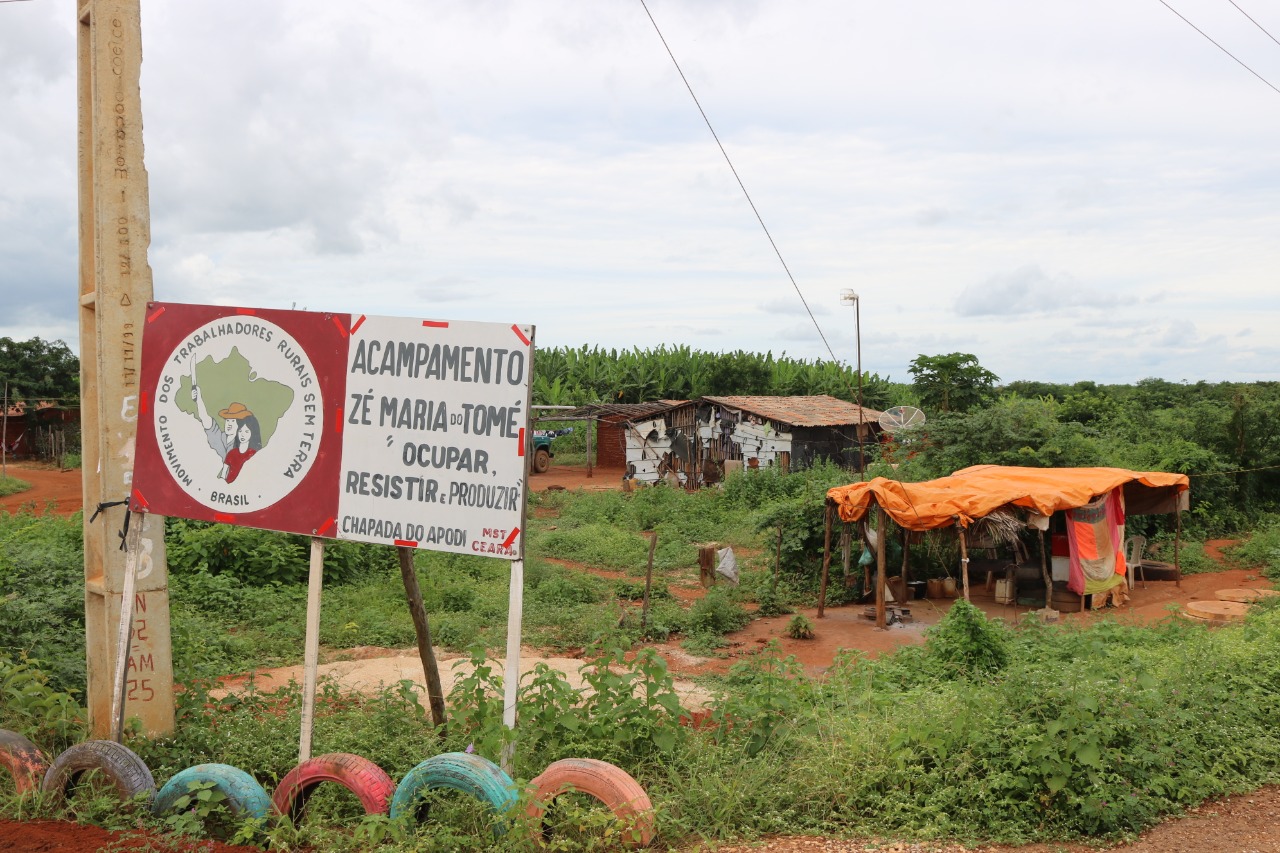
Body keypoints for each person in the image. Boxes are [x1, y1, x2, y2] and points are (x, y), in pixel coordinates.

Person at [193, 385, 238, 461]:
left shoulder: (242, 445)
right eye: (227, 420)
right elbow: (205, 419)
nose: (229, 423)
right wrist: (198, 399)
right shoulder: (220, 437)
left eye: (233, 421)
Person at [219, 411, 262, 484]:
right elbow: (223, 475)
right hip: (229, 487)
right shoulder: (231, 453)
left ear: (252, 433)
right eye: (240, 431)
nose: (242, 434)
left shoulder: (253, 454)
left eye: (246, 431)